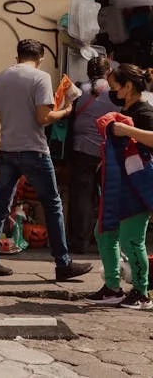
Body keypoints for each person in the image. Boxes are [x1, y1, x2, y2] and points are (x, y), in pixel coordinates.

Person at [0, 39, 92, 280]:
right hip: (34, 150)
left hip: (8, 151)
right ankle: (62, 264)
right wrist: (66, 110)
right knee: (53, 205)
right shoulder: (40, 77)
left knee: (0, 206)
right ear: (40, 58)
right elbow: (43, 117)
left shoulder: (2, 76)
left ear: (18, 56)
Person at [84, 64, 153, 309]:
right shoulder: (125, 111)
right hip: (117, 187)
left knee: (131, 240)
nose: (112, 92)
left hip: (137, 189)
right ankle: (112, 288)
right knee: (104, 233)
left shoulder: (145, 112)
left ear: (128, 86)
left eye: (114, 87)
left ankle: (142, 293)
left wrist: (126, 130)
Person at [67, 56, 118, 254]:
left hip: (81, 150)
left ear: (88, 72)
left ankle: (80, 242)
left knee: (82, 197)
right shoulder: (115, 92)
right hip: (109, 150)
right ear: (108, 72)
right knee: (109, 196)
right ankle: (108, 241)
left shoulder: (79, 89)